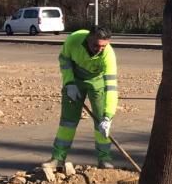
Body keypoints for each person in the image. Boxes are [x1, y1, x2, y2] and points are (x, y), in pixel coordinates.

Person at [42, 24, 118, 171]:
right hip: (75, 79)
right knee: (67, 122)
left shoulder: (108, 55)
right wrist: (69, 83)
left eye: (104, 46)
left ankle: (104, 158)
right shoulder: (73, 40)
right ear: (89, 38)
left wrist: (108, 116)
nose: (100, 49)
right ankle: (57, 158)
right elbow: (64, 60)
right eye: (97, 45)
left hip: (97, 83)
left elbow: (111, 87)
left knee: (101, 123)